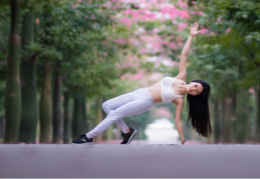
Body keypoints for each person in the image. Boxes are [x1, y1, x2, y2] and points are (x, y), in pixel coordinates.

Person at [72, 22, 212, 145]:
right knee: (107, 105)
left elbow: (177, 122)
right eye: (196, 86)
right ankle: (127, 132)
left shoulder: (179, 100)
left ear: (195, 95)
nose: (194, 89)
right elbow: (184, 54)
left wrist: (183, 140)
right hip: (140, 92)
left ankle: (88, 137)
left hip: (145, 101)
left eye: (196, 92)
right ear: (193, 82)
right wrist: (191, 36)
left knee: (114, 115)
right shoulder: (181, 77)